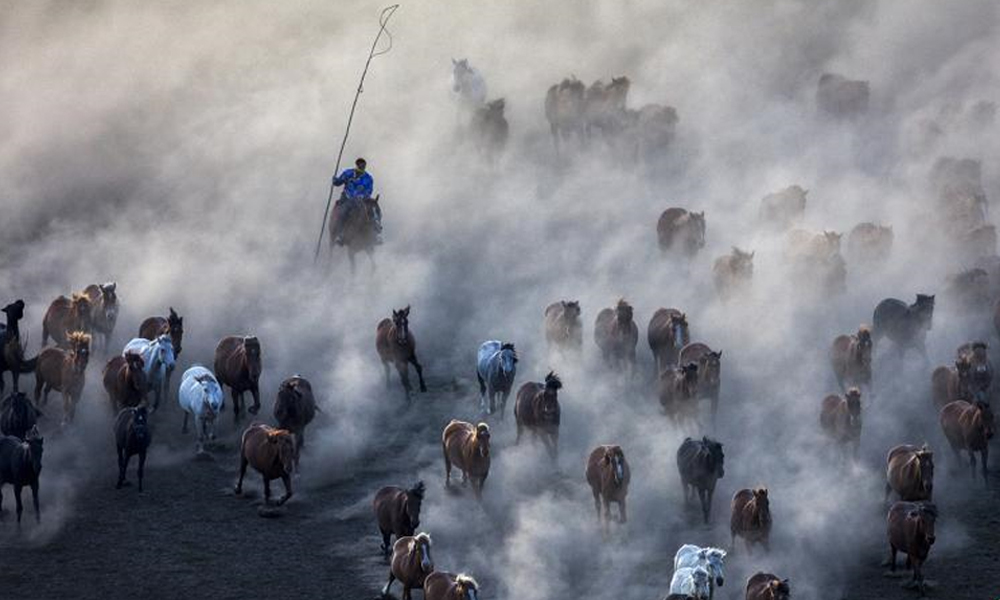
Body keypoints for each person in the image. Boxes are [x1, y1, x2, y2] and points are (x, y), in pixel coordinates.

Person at [331, 157, 382, 245]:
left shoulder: (368, 178)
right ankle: (341, 234)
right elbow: (338, 182)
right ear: (357, 164)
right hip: (347, 198)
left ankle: (376, 234)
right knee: (343, 211)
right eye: (360, 164)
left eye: (363, 164)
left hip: (361, 200)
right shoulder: (348, 173)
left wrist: (363, 196)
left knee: (374, 210)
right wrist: (335, 180)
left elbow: (369, 190)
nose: (361, 166)